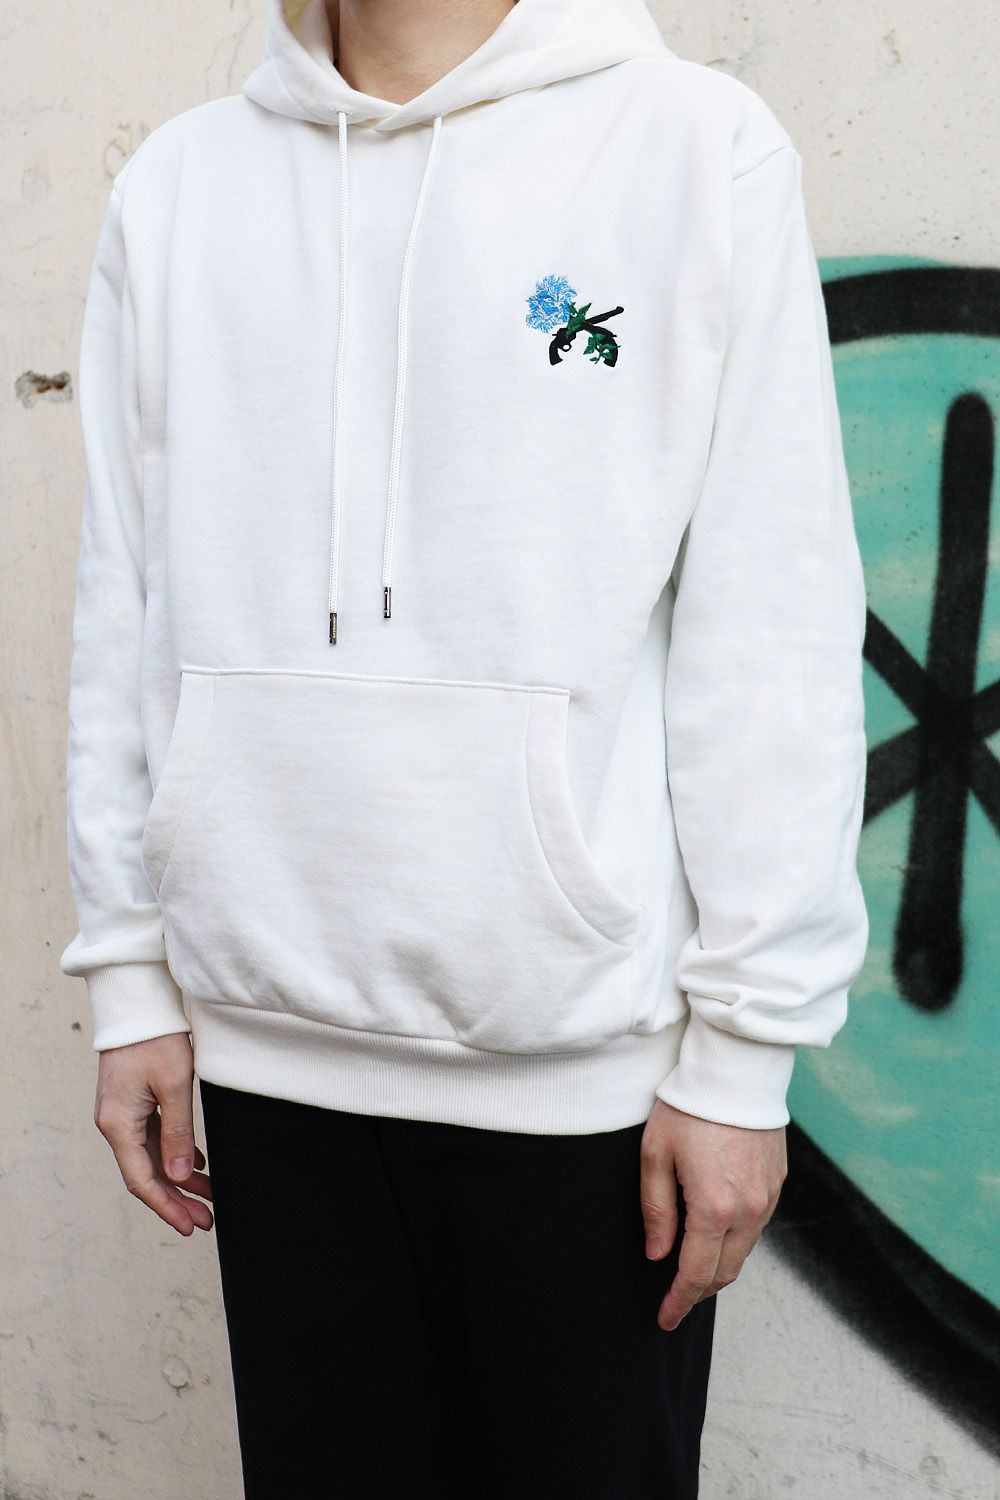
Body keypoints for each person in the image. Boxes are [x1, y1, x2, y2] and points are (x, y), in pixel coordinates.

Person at [58, 0, 869, 1494]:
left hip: (585, 1092)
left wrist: (745, 1054)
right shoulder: (178, 185)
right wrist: (127, 975)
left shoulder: (695, 153)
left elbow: (772, 630)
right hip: (270, 1054)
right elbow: (128, 602)